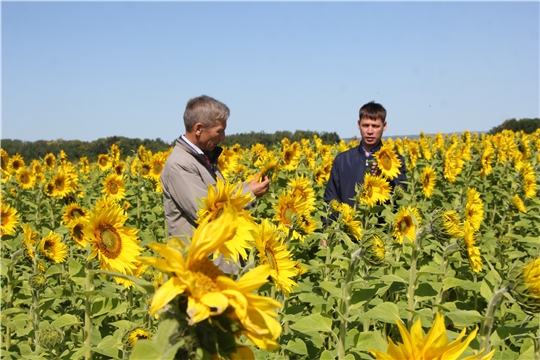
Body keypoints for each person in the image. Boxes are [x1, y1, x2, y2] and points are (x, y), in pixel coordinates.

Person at [160, 95, 270, 271]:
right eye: (219, 131)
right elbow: (207, 212)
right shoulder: (180, 165)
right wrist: (249, 194)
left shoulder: (203, 157)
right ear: (198, 129)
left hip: (216, 264)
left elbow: (220, 199)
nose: (224, 137)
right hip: (199, 271)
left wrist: (246, 188)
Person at [323, 101, 407, 208]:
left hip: (378, 223)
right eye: (366, 125)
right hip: (348, 222)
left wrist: (386, 177)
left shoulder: (395, 161)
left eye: (375, 126)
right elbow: (331, 198)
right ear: (359, 125)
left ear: (384, 126)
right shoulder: (342, 160)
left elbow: (401, 195)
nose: (370, 131)